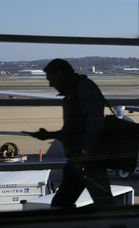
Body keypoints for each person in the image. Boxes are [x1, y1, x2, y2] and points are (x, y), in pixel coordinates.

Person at [29, 58, 114, 208]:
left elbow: (95, 124)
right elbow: (73, 131)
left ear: (60, 74)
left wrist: (85, 152)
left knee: (100, 204)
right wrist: (49, 135)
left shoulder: (84, 88)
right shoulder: (73, 91)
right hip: (78, 160)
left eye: (51, 79)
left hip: (88, 161)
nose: (50, 84)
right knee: (67, 202)